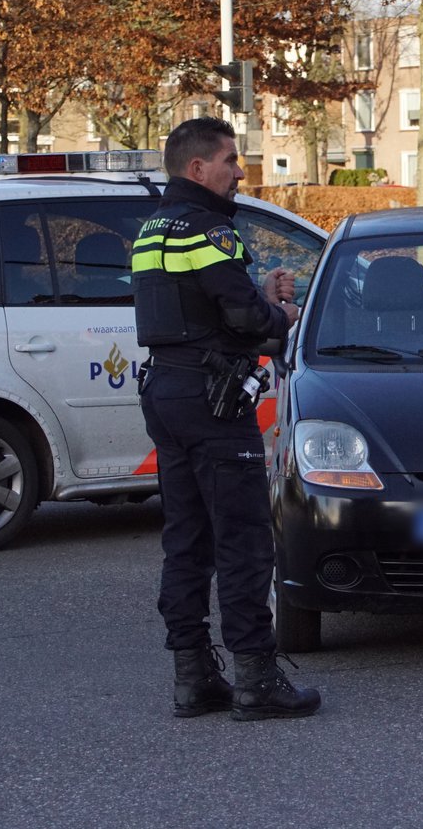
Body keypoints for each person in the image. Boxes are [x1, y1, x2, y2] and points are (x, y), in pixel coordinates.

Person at [132, 116, 321, 721]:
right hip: (213, 402)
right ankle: (257, 680)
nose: (240, 172)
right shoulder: (208, 230)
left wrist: (253, 299)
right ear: (198, 169)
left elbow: (199, 308)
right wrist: (281, 315)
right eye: (231, 161)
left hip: (167, 391)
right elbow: (242, 320)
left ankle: (193, 676)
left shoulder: (153, 229)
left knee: (186, 541)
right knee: (242, 540)